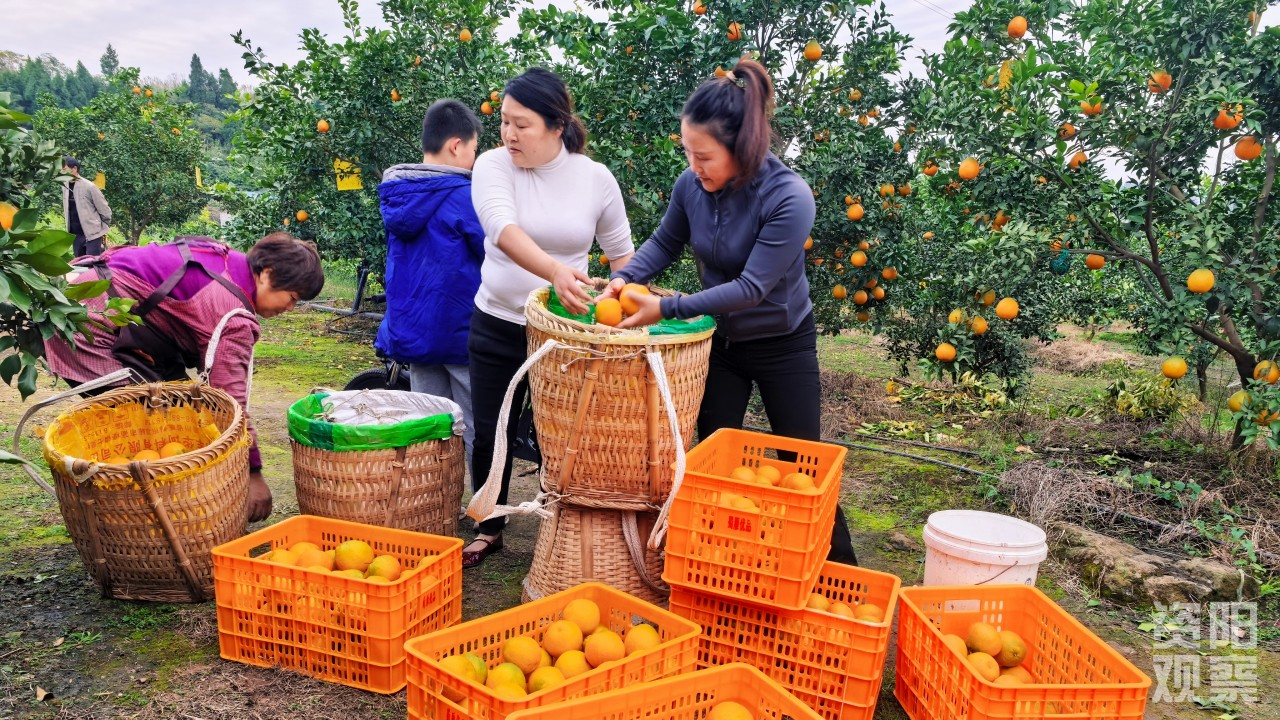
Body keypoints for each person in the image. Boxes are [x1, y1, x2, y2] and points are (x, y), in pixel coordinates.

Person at [600, 58, 858, 565]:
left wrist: (666, 307)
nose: (694, 167)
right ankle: (727, 562)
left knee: (801, 464)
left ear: (740, 147)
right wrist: (625, 277)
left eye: (704, 156)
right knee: (713, 458)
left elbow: (753, 287)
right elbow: (664, 242)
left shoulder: (788, 196)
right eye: (688, 154)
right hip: (721, 344)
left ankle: (837, 572)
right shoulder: (691, 186)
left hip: (783, 344)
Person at [464, 67, 635, 568]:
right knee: (491, 426)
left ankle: (562, 522)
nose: (509, 134)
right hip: (497, 320)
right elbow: (502, 229)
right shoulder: (494, 165)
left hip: (564, 332)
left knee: (566, 434)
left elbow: (622, 255)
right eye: (504, 122)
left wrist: (622, 293)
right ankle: (488, 525)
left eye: (522, 125)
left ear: (557, 126)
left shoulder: (594, 178)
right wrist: (557, 271)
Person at [44, 233, 325, 523]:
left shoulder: (224, 260)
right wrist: (253, 473)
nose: (290, 309)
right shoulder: (232, 315)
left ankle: (169, 512)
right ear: (268, 274)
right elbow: (230, 402)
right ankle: (144, 521)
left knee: (181, 414)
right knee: (154, 424)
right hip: (86, 327)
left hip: (87, 300)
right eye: (292, 298)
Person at [376, 99, 486, 469]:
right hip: (460, 333)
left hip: (414, 332)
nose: (474, 159)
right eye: (474, 149)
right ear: (457, 145)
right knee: (472, 426)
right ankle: (482, 509)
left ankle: (433, 503)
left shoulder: (399, 193)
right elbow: (493, 251)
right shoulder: (462, 194)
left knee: (430, 425)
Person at [62, 156, 113, 257]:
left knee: (94, 266)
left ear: (74, 169)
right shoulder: (64, 186)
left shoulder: (89, 186)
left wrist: (100, 229)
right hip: (75, 235)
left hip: (92, 235)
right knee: (80, 267)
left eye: (64, 169)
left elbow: (105, 211)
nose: (61, 172)